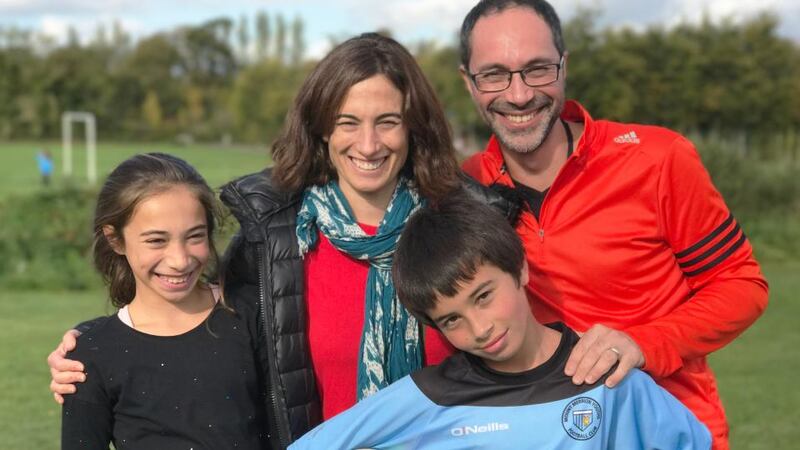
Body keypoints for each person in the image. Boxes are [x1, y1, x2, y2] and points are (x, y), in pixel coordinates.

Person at [48, 33, 509, 449]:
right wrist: (90, 347)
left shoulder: (465, 227)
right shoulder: (270, 238)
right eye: (348, 122)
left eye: (387, 121)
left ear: (414, 127)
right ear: (321, 127)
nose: (368, 145)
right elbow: (189, 328)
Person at [457, 1, 768, 449]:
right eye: (494, 74)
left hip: (669, 433)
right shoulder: (466, 186)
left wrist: (643, 344)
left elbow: (741, 284)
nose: (520, 94)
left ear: (564, 68)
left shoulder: (658, 158)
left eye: (537, 69)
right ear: (469, 82)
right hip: (548, 437)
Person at [289, 194, 712, 449]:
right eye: (452, 319)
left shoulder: (604, 375)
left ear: (520, 270)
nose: (480, 328)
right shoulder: (432, 396)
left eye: (484, 296)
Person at [60, 153, 269, 449]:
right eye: (157, 240)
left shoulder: (251, 315)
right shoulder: (90, 353)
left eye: (195, 236)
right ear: (115, 239)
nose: (179, 260)